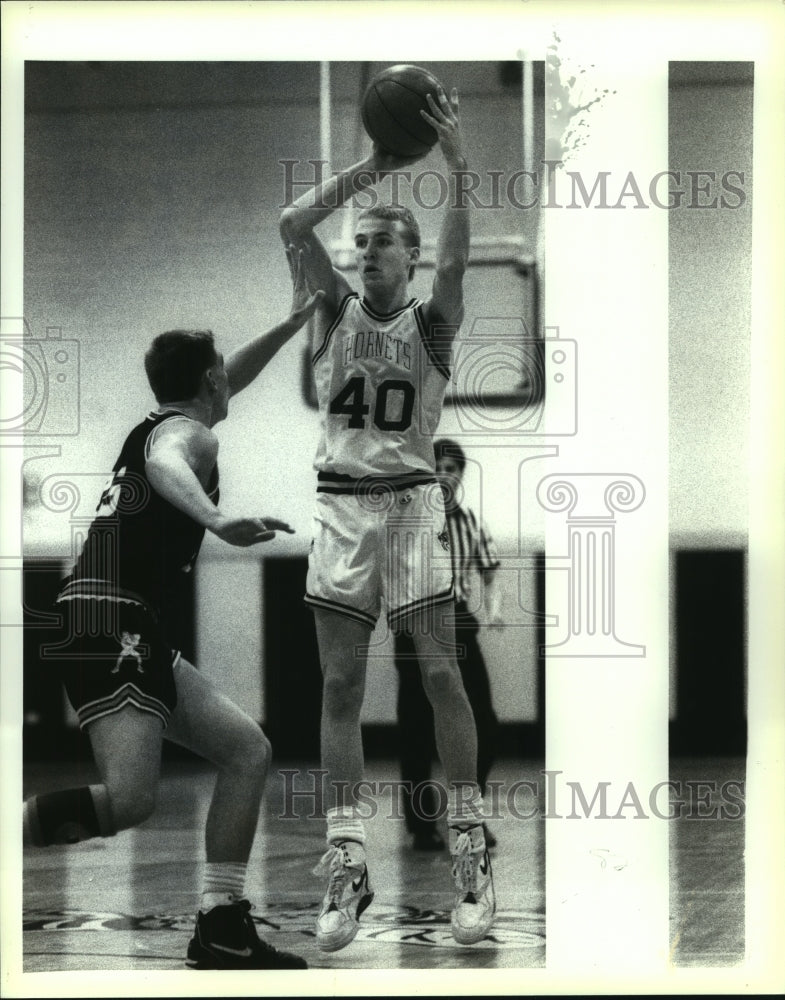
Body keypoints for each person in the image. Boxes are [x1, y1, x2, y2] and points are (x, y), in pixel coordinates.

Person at [22, 251, 322, 971]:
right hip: (109, 617)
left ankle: (221, 925)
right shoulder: (184, 436)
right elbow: (168, 465)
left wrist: (289, 325)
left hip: (115, 616)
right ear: (210, 382)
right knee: (130, 801)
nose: (231, 381)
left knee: (247, 750)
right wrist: (217, 521)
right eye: (224, 373)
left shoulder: (170, 415)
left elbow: (214, 395)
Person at [279, 84, 496, 951]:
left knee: (440, 678)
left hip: (409, 510)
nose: (367, 251)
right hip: (339, 507)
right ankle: (345, 864)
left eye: (383, 244)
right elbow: (292, 224)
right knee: (337, 688)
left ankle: (472, 850)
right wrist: (376, 166)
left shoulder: (431, 320)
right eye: (361, 243)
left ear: (408, 260)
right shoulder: (330, 308)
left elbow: (457, 263)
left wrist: (455, 168)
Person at [395, 438, 502, 852]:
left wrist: (493, 609)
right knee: (416, 728)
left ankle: (468, 815)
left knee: (484, 723)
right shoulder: (406, 518)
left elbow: (491, 573)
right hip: (414, 620)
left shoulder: (470, 521)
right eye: (439, 465)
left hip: (458, 621)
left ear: (460, 476)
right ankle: (422, 824)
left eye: (454, 468)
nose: (446, 473)